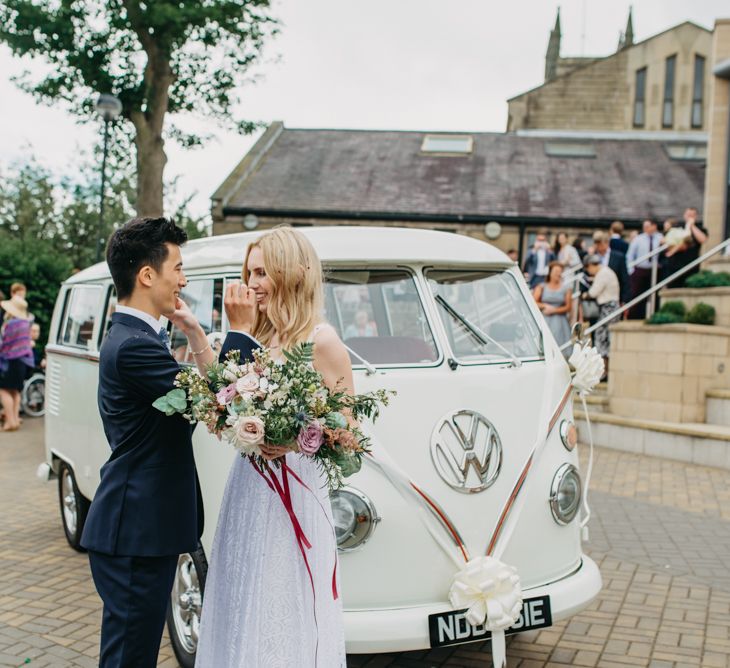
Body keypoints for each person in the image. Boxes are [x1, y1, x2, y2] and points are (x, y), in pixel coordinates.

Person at [80, 217, 258, 668]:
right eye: (177, 267)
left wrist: (196, 333)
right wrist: (240, 330)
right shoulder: (135, 347)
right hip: (134, 531)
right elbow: (217, 405)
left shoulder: (137, 337)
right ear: (146, 275)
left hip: (140, 528)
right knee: (128, 659)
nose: (183, 278)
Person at [196, 226, 348, 667]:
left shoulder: (323, 341)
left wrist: (295, 439)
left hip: (296, 494)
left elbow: (350, 434)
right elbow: (222, 402)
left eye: (262, 272)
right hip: (249, 487)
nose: (252, 283)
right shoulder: (259, 339)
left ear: (291, 273)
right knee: (244, 596)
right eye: (249, 272)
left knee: (283, 599)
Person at [0, 294, 34, 431]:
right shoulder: (26, 324)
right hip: (23, 362)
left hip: (10, 362)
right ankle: (14, 420)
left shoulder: (10, 325)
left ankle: (10, 422)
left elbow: (4, 344)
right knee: (15, 391)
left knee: (3, 390)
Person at [582, 254, 620, 379]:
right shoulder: (606, 272)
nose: (589, 272)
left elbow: (593, 292)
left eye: (588, 268)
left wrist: (584, 295)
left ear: (591, 265)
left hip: (607, 308)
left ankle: (604, 372)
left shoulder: (603, 273)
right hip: (610, 307)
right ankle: (605, 371)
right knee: (605, 338)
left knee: (601, 338)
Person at [626, 219, 664, 319]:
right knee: (637, 294)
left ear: (654, 226)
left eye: (647, 226)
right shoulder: (638, 239)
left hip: (655, 270)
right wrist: (631, 270)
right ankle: (635, 317)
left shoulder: (661, 238)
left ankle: (654, 315)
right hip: (640, 270)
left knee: (655, 294)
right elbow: (630, 255)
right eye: (644, 227)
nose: (645, 229)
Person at [533, 262, 572, 357]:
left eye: (560, 271)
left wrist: (553, 310)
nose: (558, 274)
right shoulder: (541, 287)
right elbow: (533, 302)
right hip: (545, 319)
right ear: (550, 272)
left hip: (560, 321)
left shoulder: (566, 288)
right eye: (556, 271)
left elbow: (568, 307)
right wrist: (545, 306)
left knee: (560, 346)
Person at [663, 207, 708, 288]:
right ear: (684, 215)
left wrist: (691, 226)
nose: (690, 217)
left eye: (692, 215)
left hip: (691, 265)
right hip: (674, 265)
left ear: (696, 216)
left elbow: (703, 239)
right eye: (688, 215)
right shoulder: (678, 228)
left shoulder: (700, 228)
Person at [592, 231, 630, 305]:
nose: (598, 246)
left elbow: (624, 279)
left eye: (600, 243)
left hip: (614, 298)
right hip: (597, 299)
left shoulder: (618, 257)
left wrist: (625, 300)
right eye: (596, 243)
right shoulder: (593, 256)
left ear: (607, 243)